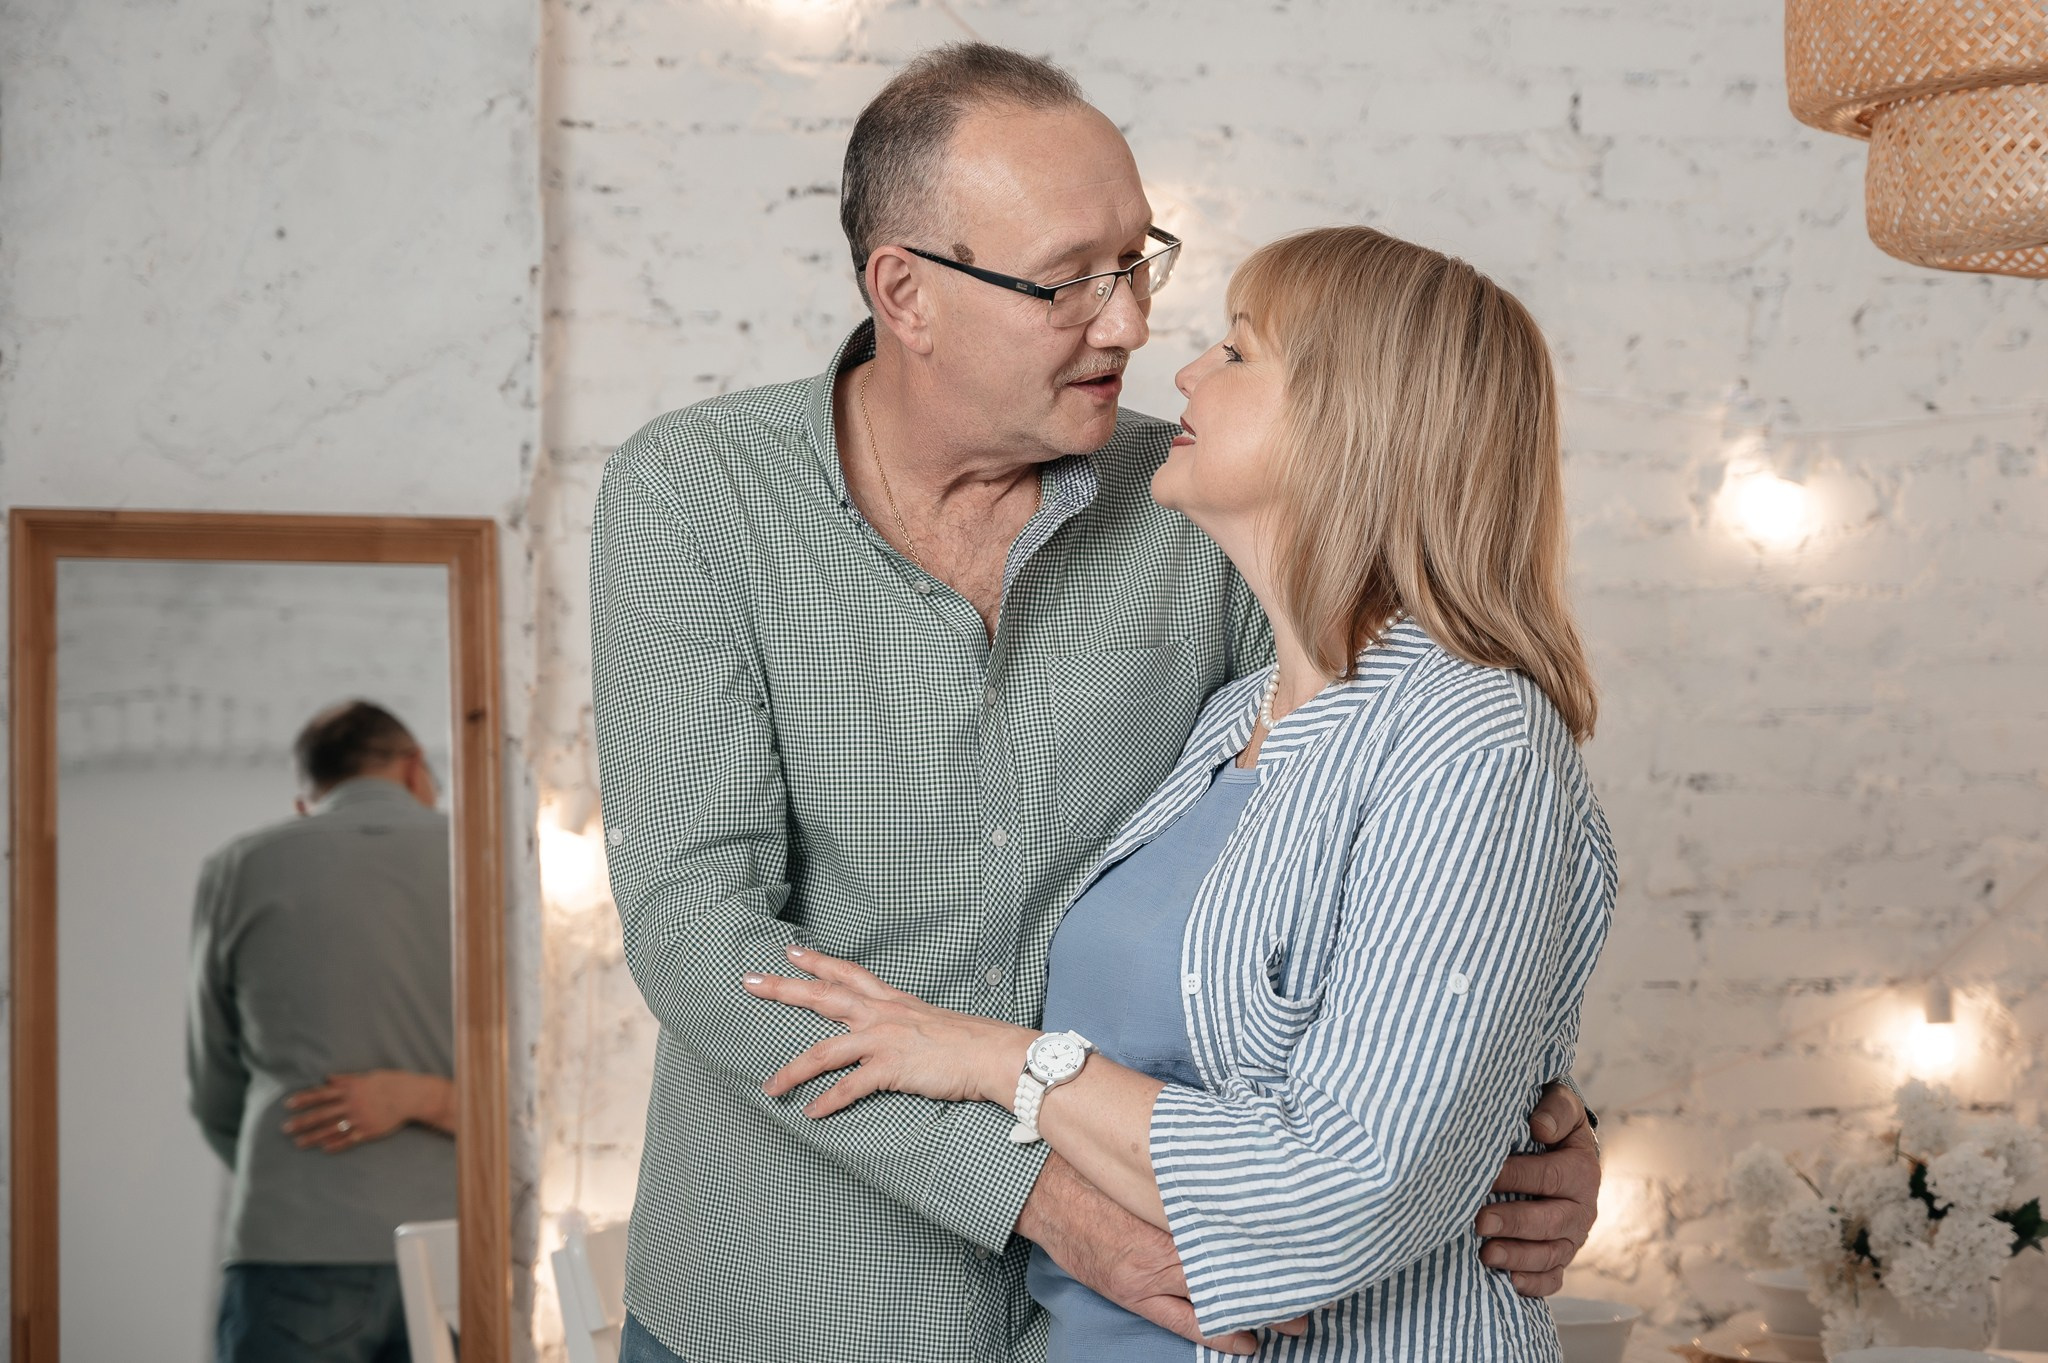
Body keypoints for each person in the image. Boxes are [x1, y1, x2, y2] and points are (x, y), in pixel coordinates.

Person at [590, 44, 1601, 1363]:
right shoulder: (696, 494)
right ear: (907, 291)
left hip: (1137, 1308)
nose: (1129, 323)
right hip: (796, 1290)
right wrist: (1041, 1195)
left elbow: (1404, 851)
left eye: (1138, 261)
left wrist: (1535, 1125)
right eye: (1070, 278)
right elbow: (695, 927)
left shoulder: (1204, 513)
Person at [187, 700, 459, 1363]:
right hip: (457, 1243)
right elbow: (538, 1086)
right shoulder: (484, 859)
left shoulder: (238, 866)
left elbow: (214, 1086)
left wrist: (301, 1168)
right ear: (415, 767)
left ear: (308, 800)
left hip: (294, 1236)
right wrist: (428, 1099)